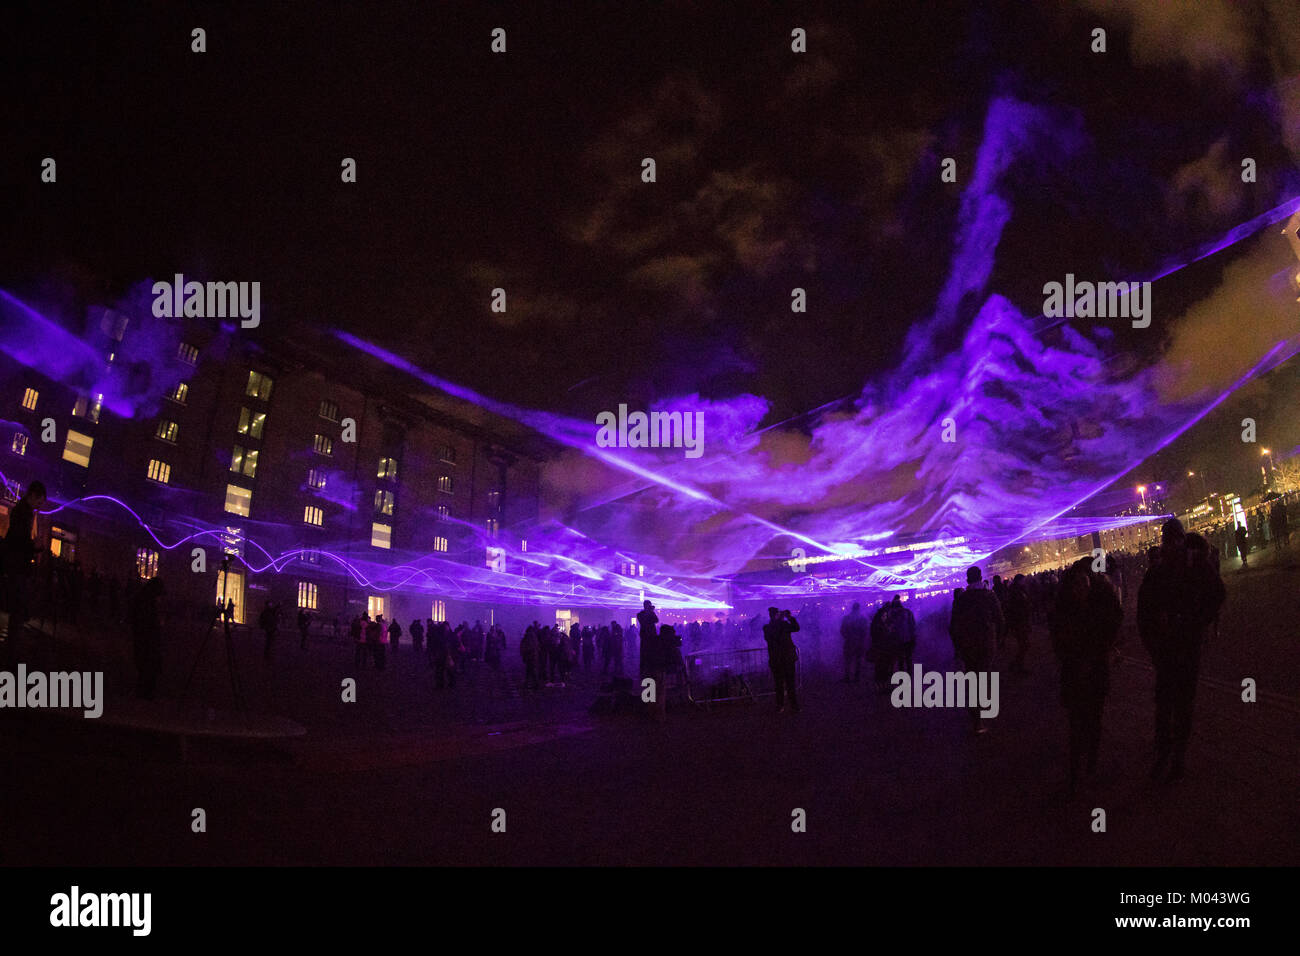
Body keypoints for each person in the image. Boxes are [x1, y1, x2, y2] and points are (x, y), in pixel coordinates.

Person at [1137, 519, 1226, 783]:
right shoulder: (1162, 570)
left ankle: (1176, 757)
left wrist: (1196, 621)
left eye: (1174, 539)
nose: (1171, 544)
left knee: (1180, 703)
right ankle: (1166, 753)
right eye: (1168, 539)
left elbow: (1217, 594)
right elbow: (1145, 612)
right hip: (1170, 647)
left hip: (1183, 645)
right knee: (1166, 704)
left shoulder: (1193, 565)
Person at [1050, 559, 1122, 797]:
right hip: (1076, 674)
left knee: (1094, 719)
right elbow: (1059, 643)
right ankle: (1077, 769)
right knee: (1076, 723)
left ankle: (1089, 759)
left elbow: (1114, 623)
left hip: (1093, 672)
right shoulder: (1067, 612)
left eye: (1084, 583)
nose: (1081, 588)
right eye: (1077, 584)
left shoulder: (1098, 607)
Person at [949, 566, 1004, 734]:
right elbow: (1000, 619)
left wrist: (958, 647)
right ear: (981, 577)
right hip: (986, 643)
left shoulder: (961, 599)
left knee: (973, 678)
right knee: (984, 676)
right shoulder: (989, 596)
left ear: (967, 579)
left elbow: (953, 626)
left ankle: (977, 718)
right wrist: (999, 639)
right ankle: (982, 712)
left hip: (968, 645)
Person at [2, 480, 46, 642]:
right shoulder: (24, 512)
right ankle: (12, 644)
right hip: (18, 565)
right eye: (39, 501)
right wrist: (35, 547)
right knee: (18, 605)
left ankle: (12, 641)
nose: (38, 506)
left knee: (17, 606)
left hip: (15, 563)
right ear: (33, 495)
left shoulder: (21, 510)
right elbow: (20, 540)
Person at [128, 576, 166, 699]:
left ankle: (145, 690)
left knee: (145, 664)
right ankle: (145, 691)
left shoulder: (144, 599)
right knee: (147, 664)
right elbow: (146, 621)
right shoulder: (146, 602)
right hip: (147, 639)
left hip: (145, 638)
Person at [762, 607, 800, 713]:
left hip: (776, 660)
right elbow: (796, 628)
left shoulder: (766, 627)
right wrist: (789, 617)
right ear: (776, 615)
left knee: (779, 684)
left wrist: (781, 619)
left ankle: (780, 706)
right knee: (790, 683)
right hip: (787, 659)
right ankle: (794, 706)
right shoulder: (782, 625)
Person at [637, 601, 665, 721]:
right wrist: (649, 612)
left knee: (652, 671)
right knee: (647, 672)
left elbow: (656, 620)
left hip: (652, 641)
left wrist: (651, 612)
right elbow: (644, 621)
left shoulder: (649, 613)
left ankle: (652, 707)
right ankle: (648, 706)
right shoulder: (641, 614)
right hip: (646, 642)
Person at [1005, 574, 1032, 673]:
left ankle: (1017, 664)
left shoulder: (1016, 590)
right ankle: (1017, 665)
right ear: (1019, 581)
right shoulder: (1016, 592)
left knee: (1024, 644)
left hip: (1021, 621)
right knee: (1024, 644)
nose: (1024, 582)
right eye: (1023, 580)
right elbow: (1017, 607)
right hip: (1019, 622)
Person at [839, 602, 867, 684]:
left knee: (848, 660)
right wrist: (861, 639)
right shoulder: (862, 618)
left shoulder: (847, 618)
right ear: (859, 608)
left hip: (849, 641)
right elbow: (865, 631)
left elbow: (842, 630)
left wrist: (847, 637)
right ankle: (856, 678)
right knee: (858, 660)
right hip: (859, 642)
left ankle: (847, 677)